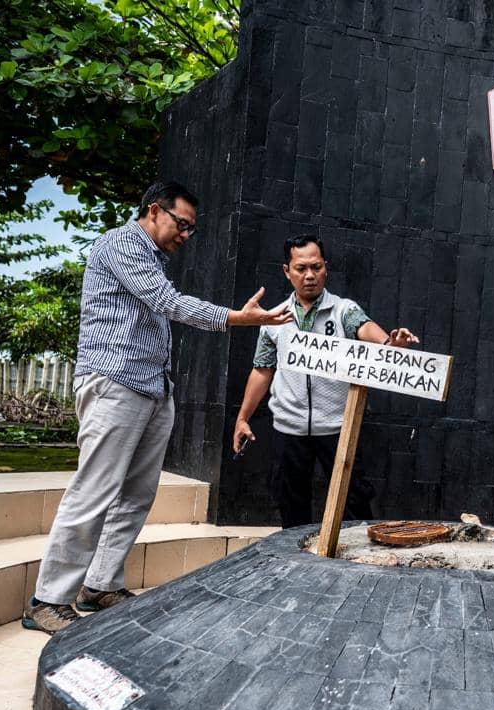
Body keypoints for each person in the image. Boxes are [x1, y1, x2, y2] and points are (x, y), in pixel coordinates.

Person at [23, 181, 293, 635]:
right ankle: (48, 599)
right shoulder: (122, 243)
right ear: (153, 211)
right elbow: (168, 304)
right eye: (181, 224)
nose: (185, 235)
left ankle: (100, 584)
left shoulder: (151, 255)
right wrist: (239, 318)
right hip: (114, 382)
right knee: (94, 491)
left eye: (191, 229)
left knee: (136, 494)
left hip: (151, 388)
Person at [232, 235, 418, 529]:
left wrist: (391, 344)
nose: (309, 275)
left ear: (325, 268)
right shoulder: (274, 318)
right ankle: (298, 569)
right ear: (287, 271)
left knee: (355, 504)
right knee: (291, 505)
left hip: (337, 428)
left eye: (316, 267)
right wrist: (243, 418)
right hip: (289, 427)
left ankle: (359, 570)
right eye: (301, 268)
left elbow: (369, 331)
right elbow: (262, 370)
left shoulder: (344, 310)